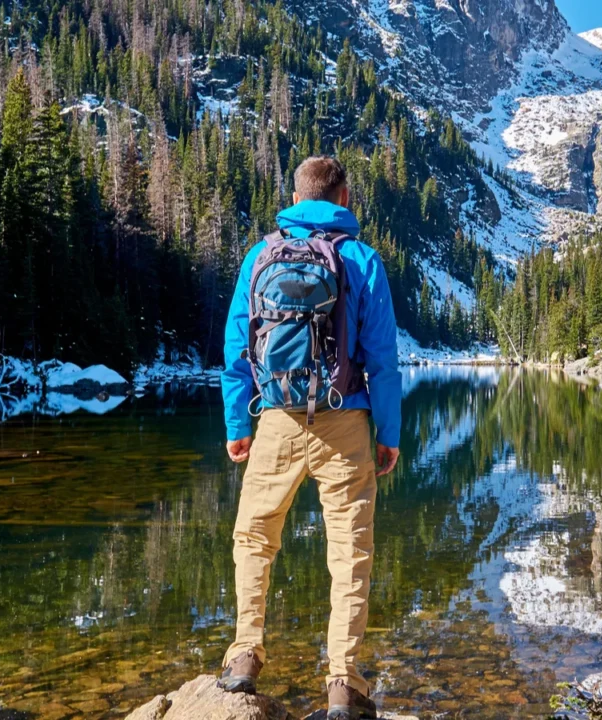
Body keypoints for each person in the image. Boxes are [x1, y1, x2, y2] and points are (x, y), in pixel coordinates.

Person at [219, 156, 401, 720]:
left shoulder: (260, 255)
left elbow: (236, 349)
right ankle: (343, 682)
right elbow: (384, 361)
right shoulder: (362, 259)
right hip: (346, 420)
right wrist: (387, 435)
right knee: (349, 553)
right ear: (343, 197)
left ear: (295, 198)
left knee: (254, 537)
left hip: (275, 419)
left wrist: (236, 424)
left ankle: (245, 656)